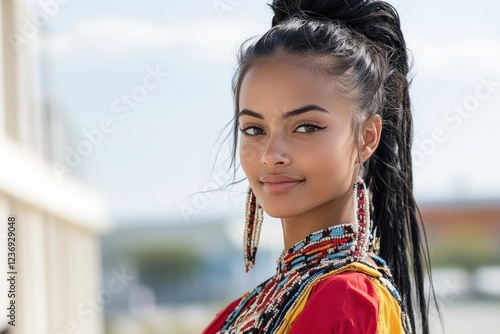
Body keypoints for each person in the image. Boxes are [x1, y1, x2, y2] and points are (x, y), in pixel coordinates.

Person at [203, 0, 438, 333]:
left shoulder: (347, 301)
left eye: (306, 127)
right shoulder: (236, 313)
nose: (272, 154)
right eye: (254, 129)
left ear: (366, 138)